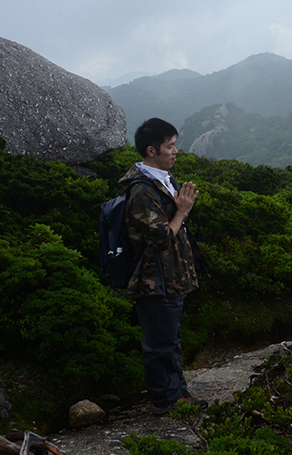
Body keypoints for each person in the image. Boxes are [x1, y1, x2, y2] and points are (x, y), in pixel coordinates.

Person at [120, 117, 200, 414]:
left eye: (175, 145)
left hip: (171, 277)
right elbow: (163, 237)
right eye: (170, 146)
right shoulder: (142, 191)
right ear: (152, 150)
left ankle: (180, 395)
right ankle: (166, 401)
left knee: (170, 339)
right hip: (153, 280)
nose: (175, 151)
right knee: (159, 344)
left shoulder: (162, 180)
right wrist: (182, 211)